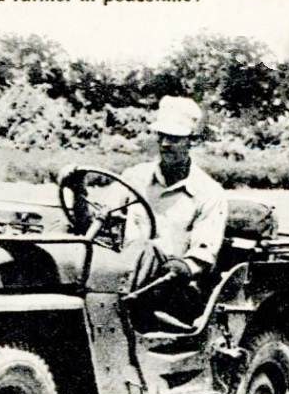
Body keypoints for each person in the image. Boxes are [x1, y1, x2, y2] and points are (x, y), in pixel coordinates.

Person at [59, 96, 228, 330]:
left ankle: (110, 316)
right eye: (161, 136)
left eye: (174, 138)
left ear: (192, 141)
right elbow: (94, 224)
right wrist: (78, 191)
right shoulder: (135, 177)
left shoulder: (208, 192)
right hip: (124, 275)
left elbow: (203, 257)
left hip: (172, 289)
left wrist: (180, 268)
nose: (165, 144)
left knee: (147, 249)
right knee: (60, 229)